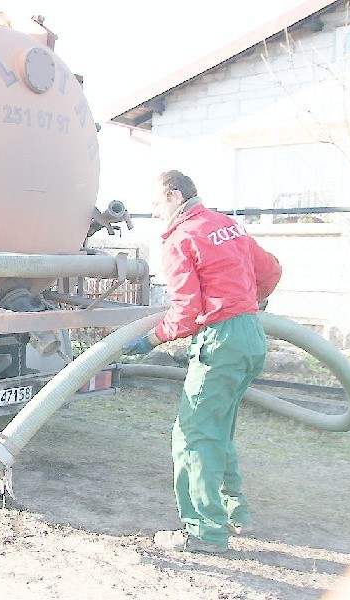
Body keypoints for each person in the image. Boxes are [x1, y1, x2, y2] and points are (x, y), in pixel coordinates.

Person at [123, 170, 282, 554]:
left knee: (194, 436)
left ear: (175, 196)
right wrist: (245, 301)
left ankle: (203, 531)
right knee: (218, 429)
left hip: (221, 342)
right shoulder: (227, 226)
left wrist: (150, 339)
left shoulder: (182, 238)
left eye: (157, 204)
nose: (156, 212)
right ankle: (235, 513)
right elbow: (271, 270)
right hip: (250, 338)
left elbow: (185, 311)